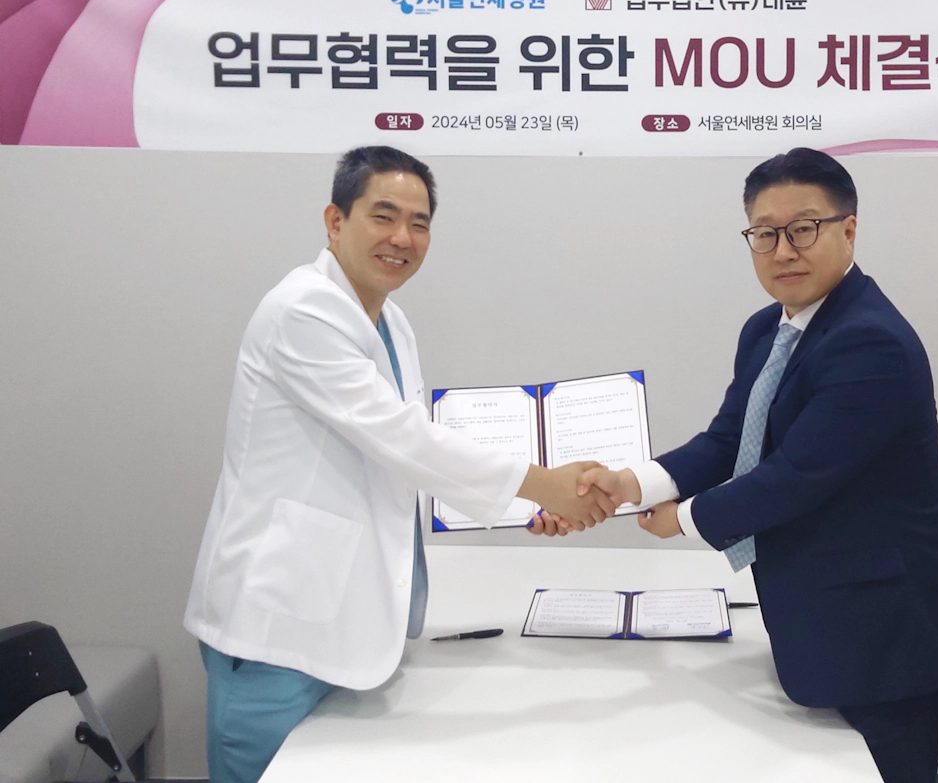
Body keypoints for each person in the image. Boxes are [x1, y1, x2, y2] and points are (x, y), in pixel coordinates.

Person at [184, 145, 616, 783]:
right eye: (383, 216)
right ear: (335, 221)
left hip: (349, 616)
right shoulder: (303, 310)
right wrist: (542, 485)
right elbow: (404, 440)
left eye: (419, 223)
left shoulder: (390, 321)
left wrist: (532, 501)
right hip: (279, 626)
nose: (402, 238)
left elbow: (403, 456)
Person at [550, 148, 938, 783]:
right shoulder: (766, 330)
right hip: (816, 615)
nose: (783, 251)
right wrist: (629, 484)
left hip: (886, 638)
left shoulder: (870, 341)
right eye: (765, 233)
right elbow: (727, 440)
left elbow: (796, 478)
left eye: (803, 229)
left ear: (849, 230)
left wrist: (683, 520)